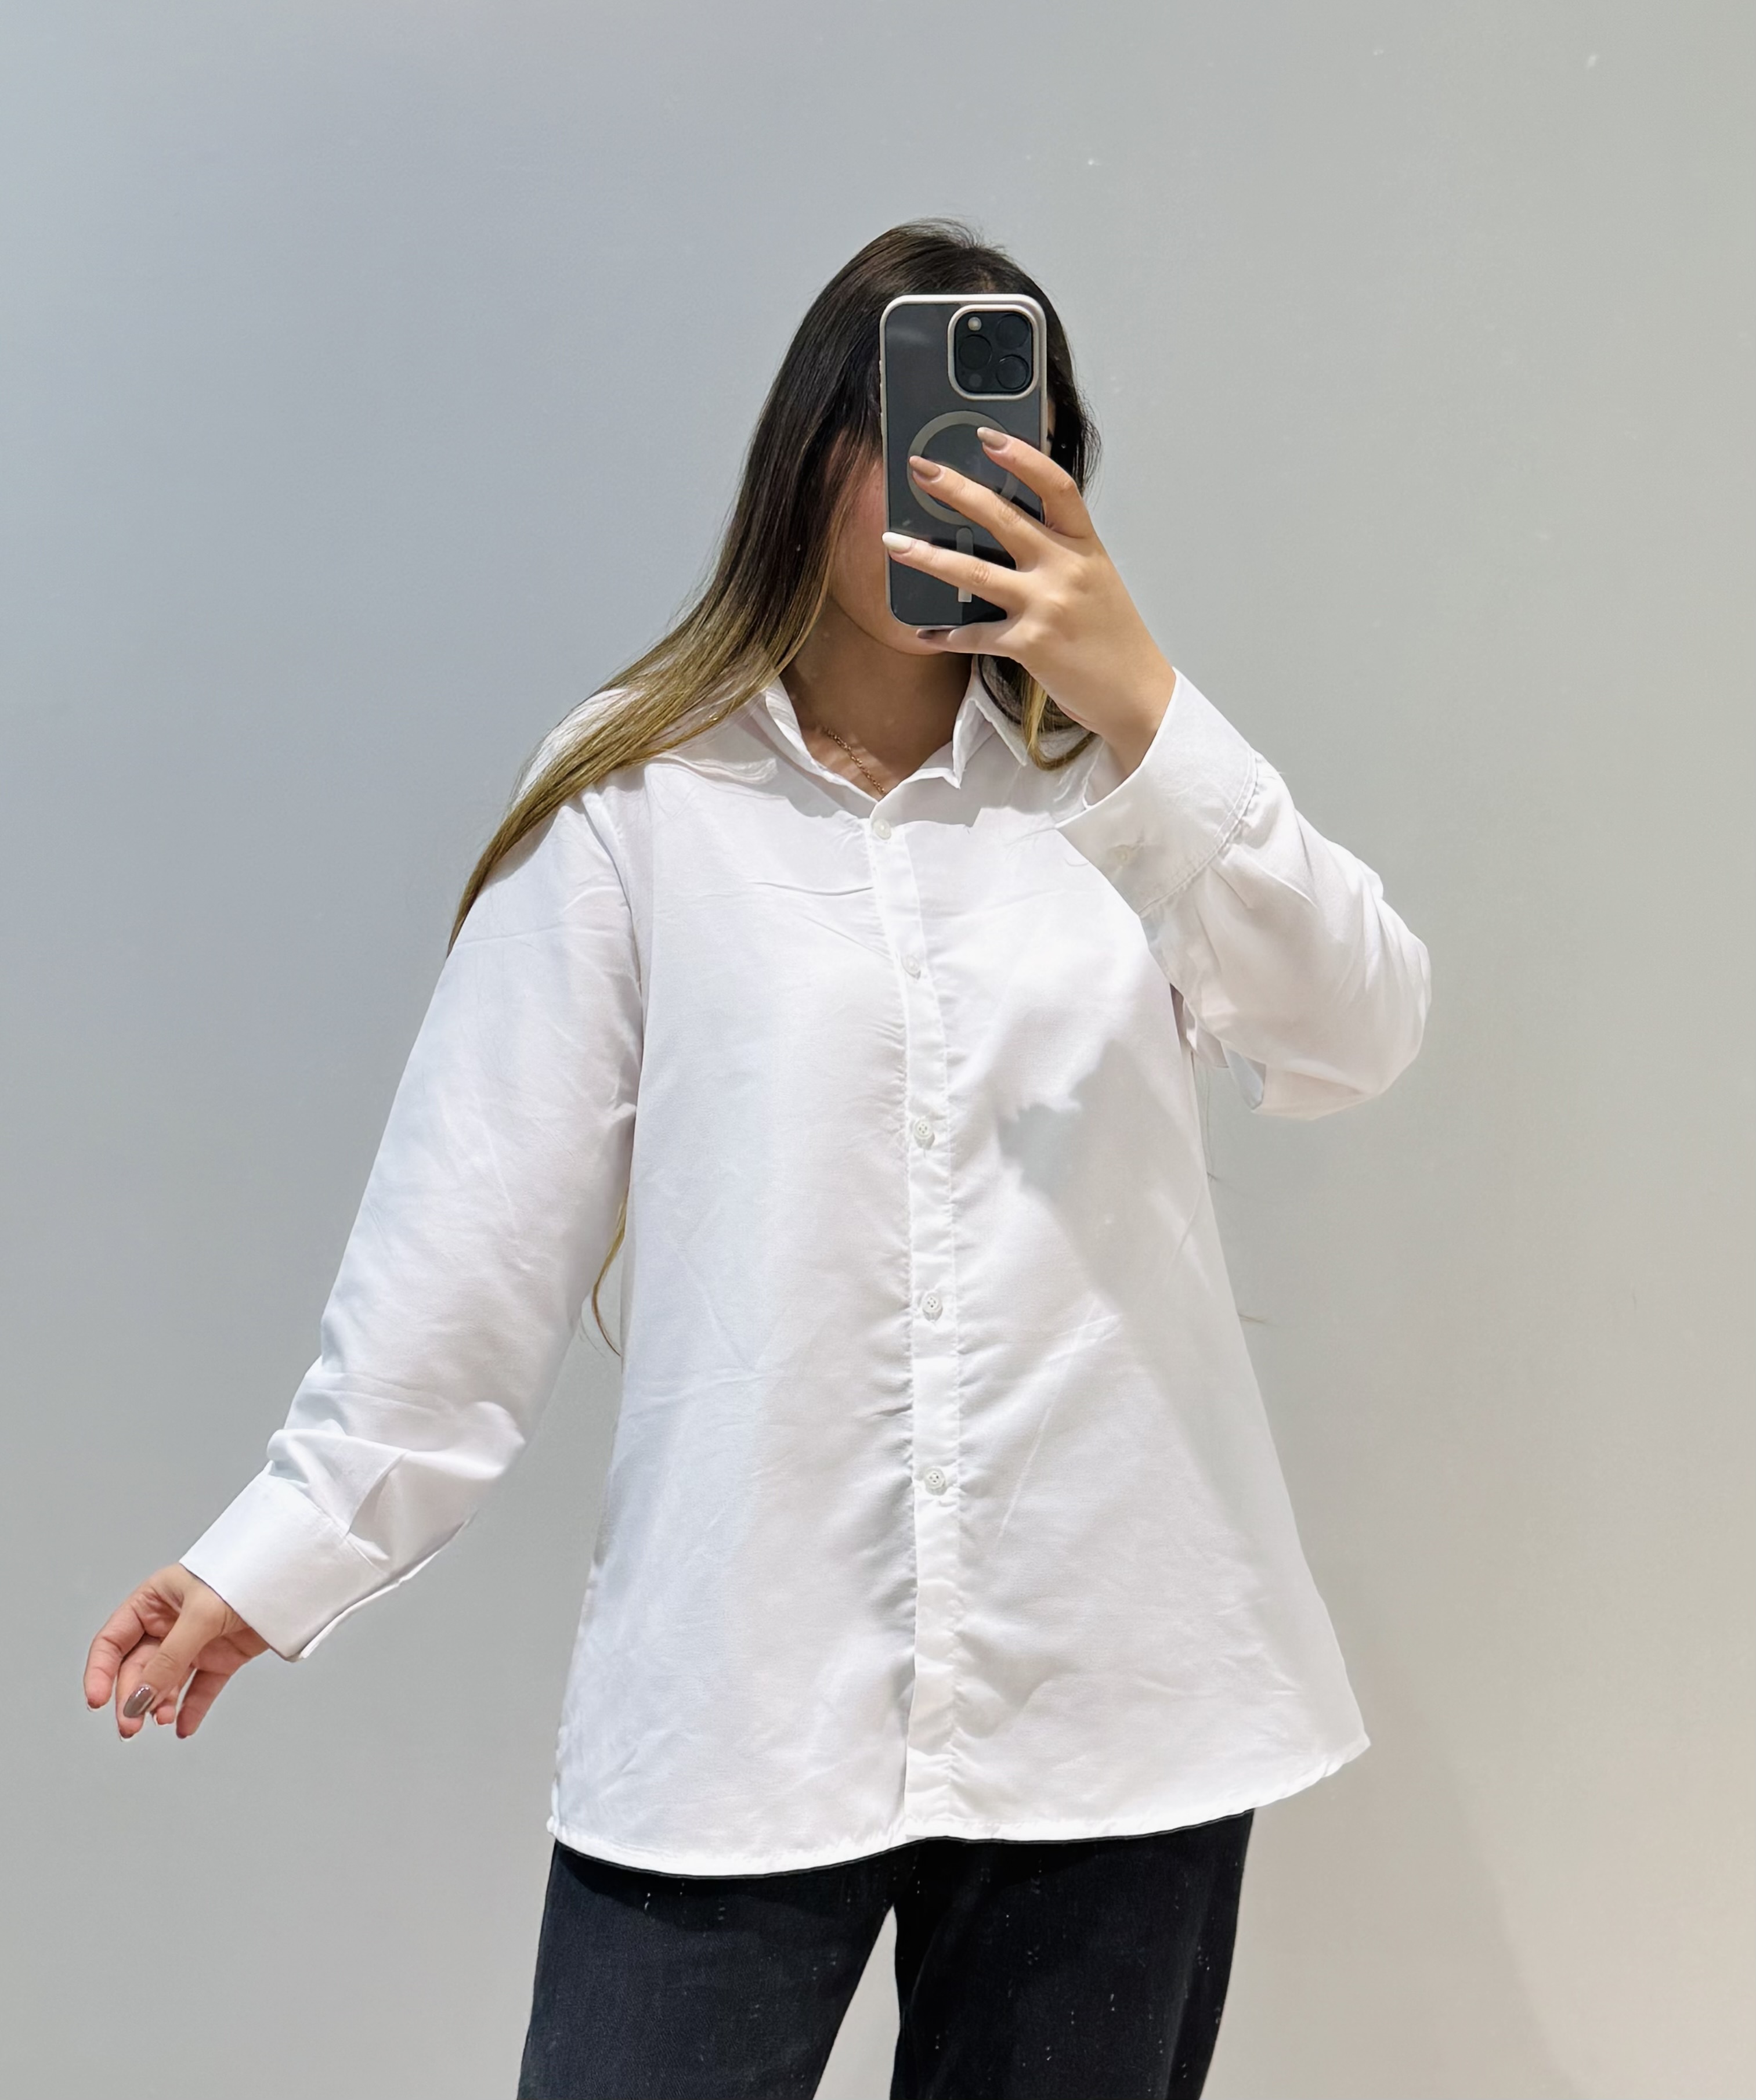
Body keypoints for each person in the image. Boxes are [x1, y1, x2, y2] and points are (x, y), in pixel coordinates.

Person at [84, 221, 1430, 2099]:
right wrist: (278, 1554)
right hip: (742, 1697)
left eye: (1018, 437)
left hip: (1118, 1694)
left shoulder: (1123, 797)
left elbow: (1355, 1029)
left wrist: (1149, 709)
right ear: (813, 453)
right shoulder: (639, 801)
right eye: (921, 429)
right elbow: (469, 1232)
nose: (969, 476)